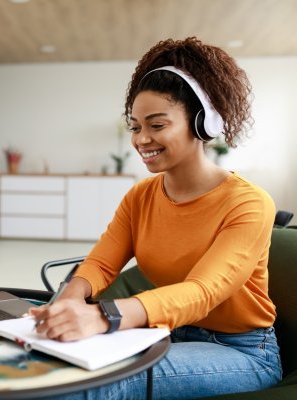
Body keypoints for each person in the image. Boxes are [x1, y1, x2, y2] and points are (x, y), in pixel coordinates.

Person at [29, 37, 282, 399]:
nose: (141, 139)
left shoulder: (249, 203)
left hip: (240, 351)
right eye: (135, 127)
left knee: (107, 381)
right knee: (53, 364)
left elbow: (203, 292)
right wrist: (71, 297)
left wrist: (104, 316)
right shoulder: (141, 196)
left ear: (202, 123)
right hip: (164, 333)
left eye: (157, 125)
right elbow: (101, 262)